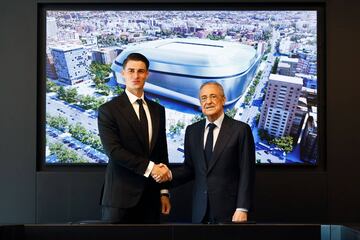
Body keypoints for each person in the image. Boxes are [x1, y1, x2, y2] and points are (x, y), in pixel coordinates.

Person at [97, 53, 171, 223]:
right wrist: (152, 168)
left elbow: (161, 152)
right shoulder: (108, 110)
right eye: (131, 71)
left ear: (147, 74)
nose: (136, 76)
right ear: (123, 73)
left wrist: (164, 191)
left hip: (152, 198)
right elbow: (114, 151)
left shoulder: (158, 110)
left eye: (140, 71)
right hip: (120, 199)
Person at [169, 81, 255, 223]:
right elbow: (190, 169)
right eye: (204, 98)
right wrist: (169, 174)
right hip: (199, 211)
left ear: (223, 99)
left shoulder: (240, 130)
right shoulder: (192, 131)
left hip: (230, 211)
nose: (208, 101)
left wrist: (242, 208)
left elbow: (247, 172)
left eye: (213, 96)